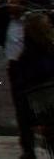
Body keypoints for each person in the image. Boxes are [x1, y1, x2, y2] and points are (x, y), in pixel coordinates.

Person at [0, 0, 36, 159]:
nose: (11, 5)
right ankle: (28, 148)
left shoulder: (30, 22)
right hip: (15, 68)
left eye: (15, 2)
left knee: (40, 108)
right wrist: (5, 8)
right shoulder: (5, 24)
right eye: (9, 2)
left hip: (32, 66)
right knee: (21, 109)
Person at [14, 11, 54, 144]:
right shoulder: (35, 55)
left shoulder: (24, 55)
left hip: (43, 108)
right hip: (46, 104)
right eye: (48, 25)